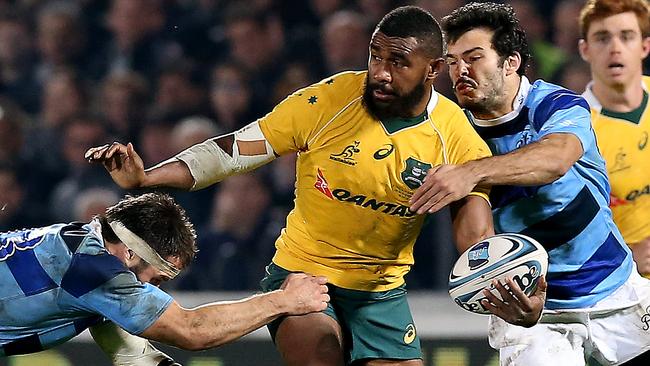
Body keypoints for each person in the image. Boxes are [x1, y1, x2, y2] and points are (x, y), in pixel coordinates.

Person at [86, 6, 546, 365]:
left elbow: (475, 238)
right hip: (303, 275)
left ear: (433, 70)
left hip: (381, 292)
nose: (380, 72)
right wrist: (147, 177)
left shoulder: (458, 139)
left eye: (398, 62)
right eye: (375, 55)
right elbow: (233, 149)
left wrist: (500, 288)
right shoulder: (326, 101)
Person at [409, 2, 650, 365]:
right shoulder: (452, 136)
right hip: (533, 311)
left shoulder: (554, 104)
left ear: (511, 62)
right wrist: (497, 285)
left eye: (474, 57)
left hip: (618, 290)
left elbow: (555, 160)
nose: (460, 70)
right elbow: (477, 241)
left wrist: (474, 171)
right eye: (453, 61)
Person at [0, 192, 329, 365]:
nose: (149, 289)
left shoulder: (80, 252)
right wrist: (282, 300)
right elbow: (192, 331)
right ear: (130, 253)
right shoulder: (96, 270)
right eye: (156, 279)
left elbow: (133, 356)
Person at [578, 0, 650, 277]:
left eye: (627, 36)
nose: (615, 48)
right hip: (621, 289)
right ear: (585, 49)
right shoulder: (575, 131)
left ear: (644, 46)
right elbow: (566, 229)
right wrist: (628, 255)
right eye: (602, 38)